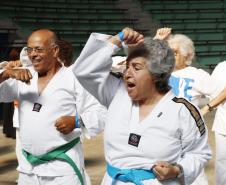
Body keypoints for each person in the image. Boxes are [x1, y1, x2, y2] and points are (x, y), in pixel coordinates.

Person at [72, 27, 211, 185]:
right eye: (127, 67)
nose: (127, 73)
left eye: (136, 68)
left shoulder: (183, 110)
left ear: (156, 74)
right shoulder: (116, 91)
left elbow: (199, 153)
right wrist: (117, 39)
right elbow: (83, 70)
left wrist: (177, 169)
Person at [0, 29, 106, 185]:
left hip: (62, 169)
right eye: (29, 50)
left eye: (38, 49)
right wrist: (5, 74)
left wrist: (76, 121)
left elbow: (101, 113)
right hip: (28, 169)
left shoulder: (74, 78)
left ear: (55, 50)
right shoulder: (22, 75)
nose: (32, 54)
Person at [154, 28, 218, 185]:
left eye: (175, 52)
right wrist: (157, 40)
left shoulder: (197, 75)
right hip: (160, 133)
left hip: (188, 135)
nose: (170, 55)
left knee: (193, 174)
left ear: (188, 55)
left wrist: (206, 108)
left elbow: (221, 91)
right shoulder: (160, 72)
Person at [201, 61, 226, 185]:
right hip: (223, 122)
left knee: (222, 162)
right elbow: (212, 92)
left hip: (222, 119)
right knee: (222, 162)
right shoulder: (221, 66)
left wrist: (208, 107)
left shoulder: (221, 66)